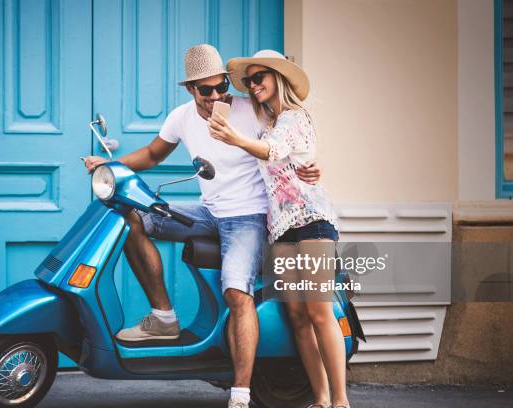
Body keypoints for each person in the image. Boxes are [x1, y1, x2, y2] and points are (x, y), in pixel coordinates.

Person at [83, 44, 321, 408]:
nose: (216, 96)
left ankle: (240, 394)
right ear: (190, 89)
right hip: (209, 210)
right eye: (206, 90)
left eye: (221, 86)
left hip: (248, 215)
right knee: (132, 216)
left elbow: (287, 142)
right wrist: (111, 167)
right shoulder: (181, 117)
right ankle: (163, 316)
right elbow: (152, 154)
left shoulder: (250, 109)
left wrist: (312, 169)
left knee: (236, 294)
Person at [208, 49, 349, 408]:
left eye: (260, 78)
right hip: (280, 229)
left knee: (319, 312)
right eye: (250, 80)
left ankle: (341, 402)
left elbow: (272, 152)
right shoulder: (267, 123)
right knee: (297, 317)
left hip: (313, 222)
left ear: (278, 79)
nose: (254, 85)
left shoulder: (296, 118)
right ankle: (319, 399)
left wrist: (234, 138)